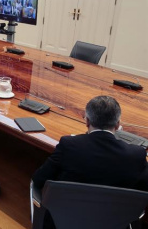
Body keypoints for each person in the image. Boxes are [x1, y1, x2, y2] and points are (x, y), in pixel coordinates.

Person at [32, 96, 148, 227]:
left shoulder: (69, 145)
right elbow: (142, 194)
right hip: (113, 223)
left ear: (87, 121)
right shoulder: (136, 155)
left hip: (62, 221)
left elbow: (39, 179)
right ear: (118, 124)